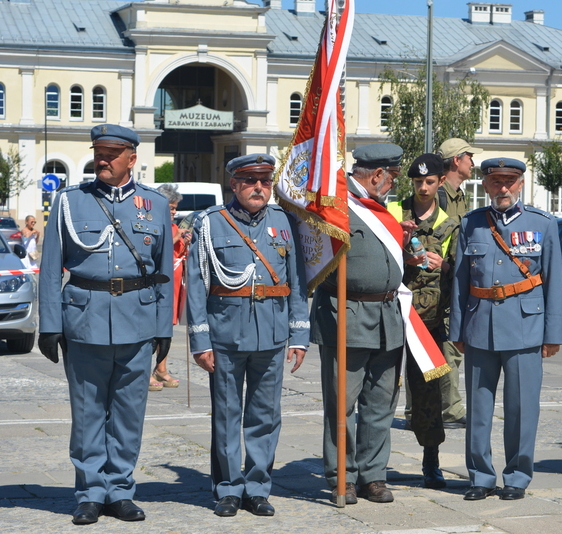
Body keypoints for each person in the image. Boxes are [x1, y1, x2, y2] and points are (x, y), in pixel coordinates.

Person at [38, 124, 173, 524]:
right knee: (87, 412)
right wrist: (49, 323)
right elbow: (49, 269)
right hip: (84, 318)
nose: (103, 159)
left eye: (113, 153)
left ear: (131, 159)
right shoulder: (69, 202)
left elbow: (163, 270)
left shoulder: (156, 205)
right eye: (99, 151)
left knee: (130, 414)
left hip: (137, 319)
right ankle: (90, 492)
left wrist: (164, 329)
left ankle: (120, 489)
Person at [187, 153, 310, 518]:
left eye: (265, 181)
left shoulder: (286, 223)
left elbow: (297, 282)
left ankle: (257, 487)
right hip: (225, 336)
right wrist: (200, 340)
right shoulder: (210, 224)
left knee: (265, 415)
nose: (259, 188)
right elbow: (196, 285)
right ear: (234, 184)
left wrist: (299, 335)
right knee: (226, 414)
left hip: (271, 337)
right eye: (251, 181)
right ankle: (228, 488)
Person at [449, 157, 562, 501]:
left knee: (521, 408)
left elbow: (553, 281)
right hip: (480, 325)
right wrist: (458, 330)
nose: (503, 188)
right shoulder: (471, 224)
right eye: (496, 181)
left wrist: (552, 334)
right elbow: (460, 281)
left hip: (526, 326)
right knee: (479, 409)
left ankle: (517, 475)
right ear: (485, 185)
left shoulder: (543, 223)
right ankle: (480, 476)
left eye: (509, 181)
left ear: (521, 183)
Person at [311, 143, 405, 505]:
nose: (394, 185)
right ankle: (342, 476)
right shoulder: (337, 206)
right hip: (346, 316)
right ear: (378, 175)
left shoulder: (379, 208)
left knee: (381, 402)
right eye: (392, 177)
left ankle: (373, 476)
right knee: (342, 404)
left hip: (386, 318)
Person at [387, 153, 458, 489]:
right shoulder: (392, 213)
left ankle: (432, 461)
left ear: (441, 181)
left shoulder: (450, 224)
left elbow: (458, 274)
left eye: (430, 182)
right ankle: (372, 462)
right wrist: (402, 244)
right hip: (388, 315)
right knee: (381, 390)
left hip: (429, 323)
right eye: (418, 182)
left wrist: (442, 265)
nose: (423, 188)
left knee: (430, 394)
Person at [431, 137, 483, 430]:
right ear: (455, 160)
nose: (472, 162)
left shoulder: (458, 196)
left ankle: (430, 409)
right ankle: (447, 410)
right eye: (469, 157)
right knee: (441, 348)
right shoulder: (438, 195)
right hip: (437, 283)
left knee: (444, 347)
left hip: (453, 281)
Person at [149, 184, 190, 391]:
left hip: (175, 286)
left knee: (167, 329)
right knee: (153, 329)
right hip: (157, 284)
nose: (174, 212)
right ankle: (147, 371)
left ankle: (161, 368)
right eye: (170, 208)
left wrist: (187, 242)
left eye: (175, 208)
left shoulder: (175, 227)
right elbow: (156, 250)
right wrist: (175, 238)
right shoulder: (153, 225)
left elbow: (181, 255)